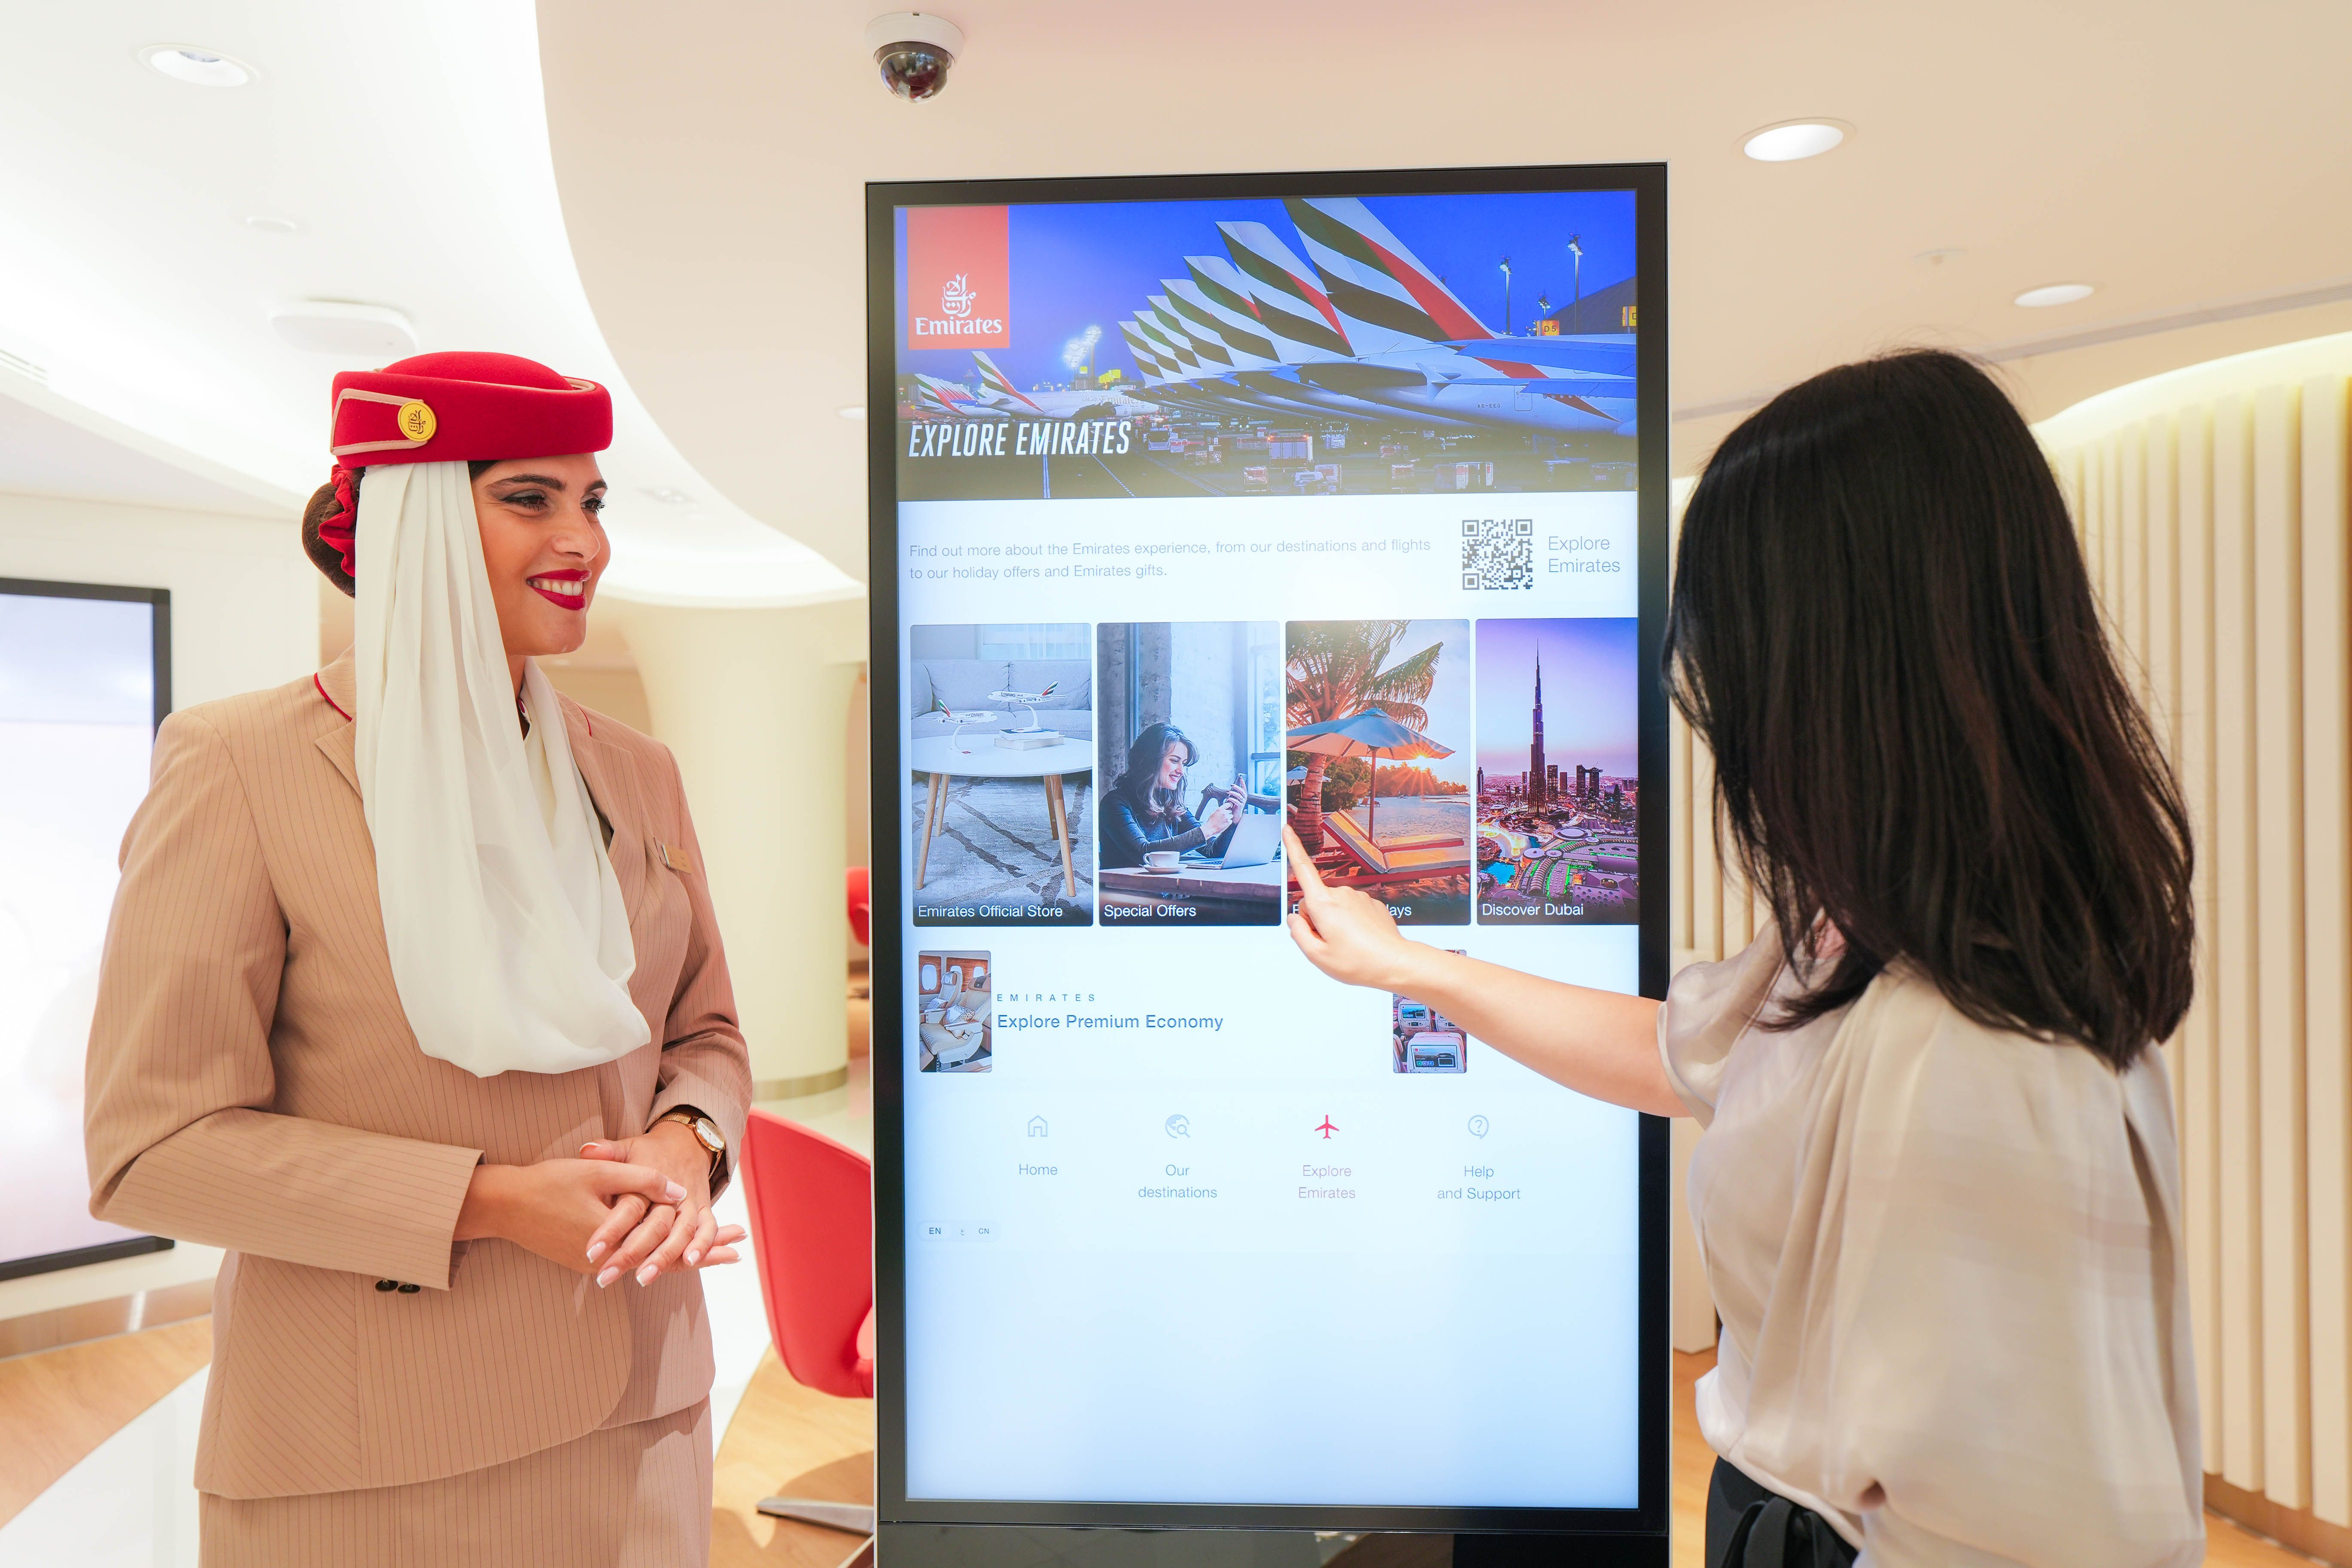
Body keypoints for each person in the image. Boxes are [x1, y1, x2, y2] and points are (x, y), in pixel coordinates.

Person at [1284, 350, 2203, 1568]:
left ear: (1835, 674)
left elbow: (2009, 1537)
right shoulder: (1869, 940)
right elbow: (1676, 1052)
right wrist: (1411, 966)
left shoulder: (1973, 1052)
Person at [83, 352, 753, 1565]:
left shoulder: (634, 767)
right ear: (419, 520)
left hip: (643, 1405)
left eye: (593, 501)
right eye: (530, 497)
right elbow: (154, 1146)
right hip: (379, 1448)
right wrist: (488, 1202)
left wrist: (685, 1140)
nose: (585, 540)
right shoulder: (240, 764)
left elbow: (704, 1032)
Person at [1099, 720, 1246, 868]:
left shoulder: (1171, 802)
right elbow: (1143, 853)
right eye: (1175, 761)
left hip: (1164, 882)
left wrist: (1234, 822)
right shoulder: (1114, 804)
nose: (1181, 771)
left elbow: (1213, 851)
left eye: (1184, 763)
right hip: (1124, 883)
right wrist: (1209, 829)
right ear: (1149, 760)